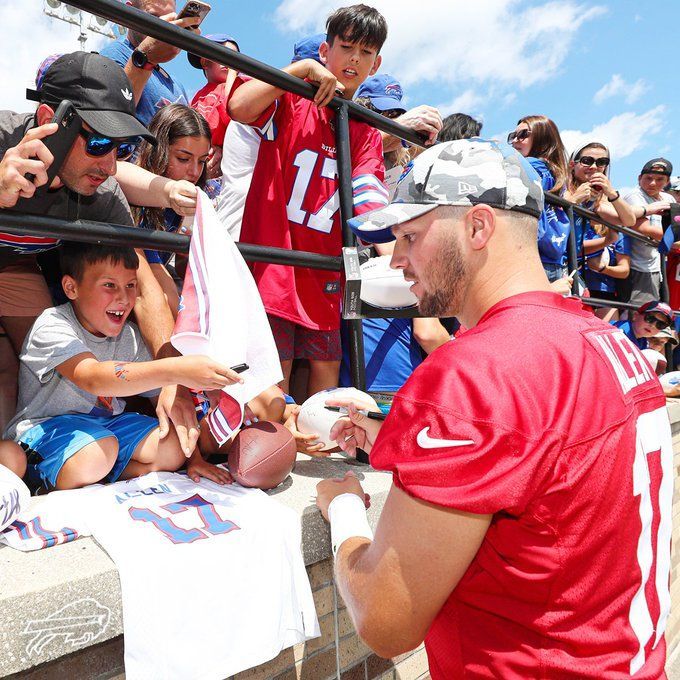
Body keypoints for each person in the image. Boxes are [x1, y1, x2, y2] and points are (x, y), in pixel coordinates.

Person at [314, 139, 672, 679]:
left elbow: (385, 623)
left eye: (410, 235)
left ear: (478, 227)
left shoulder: (475, 373)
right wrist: (397, 437)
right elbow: (546, 463)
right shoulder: (610, 340)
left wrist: (343, 513)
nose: (397, 259)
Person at [0, 51, 214, 458]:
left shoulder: (104, 192)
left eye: (123, 147)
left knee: (28, 371)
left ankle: (15, 467)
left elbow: (146, 285)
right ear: (49, 118)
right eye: (99, 142)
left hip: (14, 268)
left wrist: (171, 376)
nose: (110, 166)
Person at [227, 5, 390, 398]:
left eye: (365, 53)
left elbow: (370, 201)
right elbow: (239, 106)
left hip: (326, 273)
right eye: (347, 46)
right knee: (270, 396)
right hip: (276, 265)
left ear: (377, 63)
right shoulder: (291, 99)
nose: (354, 59)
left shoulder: (365, 129)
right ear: (324, 49)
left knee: (325, 393)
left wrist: (396, 251)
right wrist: (298, 70)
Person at [3, 242, 241, 491]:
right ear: (71, 288)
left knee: (171, 447)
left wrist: (195, 459)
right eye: (109, 285)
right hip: (47, 427)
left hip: (106, 429)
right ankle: (42, 474)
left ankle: (99, 472)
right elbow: (92, 377)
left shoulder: (130, 336)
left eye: (130, 285)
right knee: (99, 452)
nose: (124, 297)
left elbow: (165, 401)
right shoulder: (52, 325)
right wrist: (176, 369)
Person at [133, 104, 212, 309]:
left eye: (202, 161)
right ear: (158, 149)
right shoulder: (134, 190)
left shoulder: (187, 199)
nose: (195, 171)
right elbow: (156, 275)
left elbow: (176, 266)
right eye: (183, 159)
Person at [564, 142, 637, 319]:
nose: (595, 167)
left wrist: (611, 193)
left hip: (570, 267)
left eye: (602, 162)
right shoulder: (562, 186)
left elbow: (628, 220)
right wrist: (574, 199)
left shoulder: (596, 200)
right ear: (573, 165)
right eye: (588, 161)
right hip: (550, 262)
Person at [100, 0, 196, 125]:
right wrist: (147, 59)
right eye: (154, 17)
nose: (164, 25)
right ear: (130, 11)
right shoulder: (113, 55)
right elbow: (110, 119)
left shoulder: (175, 84)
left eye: (170, 18)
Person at [509, 115, 571, 282]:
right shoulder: (557, 172)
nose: (515, 140)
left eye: (523, 134)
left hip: (533, 258)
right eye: (512, 136)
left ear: (542, 137)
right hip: (554, 260)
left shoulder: (530, 165)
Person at [188, 34, 240, 179]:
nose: (229, 61)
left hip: (226, 167)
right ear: (205, 62)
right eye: (222, 54)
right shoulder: (198, 97)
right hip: (199, 164)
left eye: (235, 58)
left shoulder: (238, 90)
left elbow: (236, 122)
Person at [624, 158, 675, 304]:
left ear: (667, 181)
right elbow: (642, 227)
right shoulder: (635, 195)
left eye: (660, 179)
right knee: (640, 314)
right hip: (638, 266)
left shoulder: (668, 198)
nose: (653, 183)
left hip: (658, 265)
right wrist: (674, 239)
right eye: (648, 178)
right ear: (639, 178)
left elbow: (674, 228)